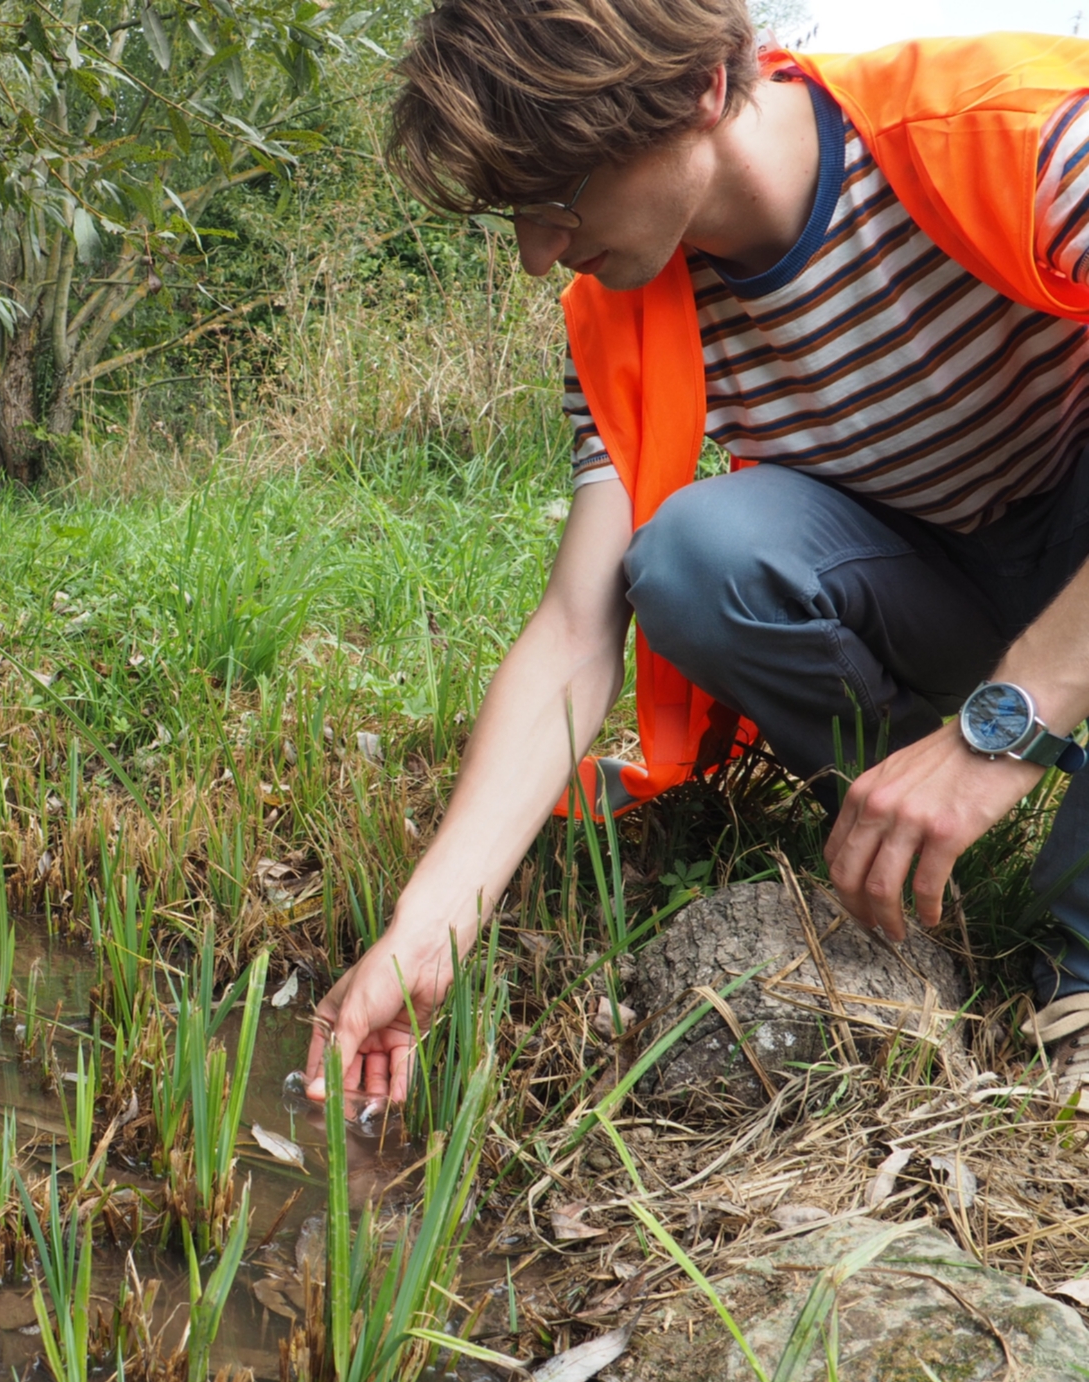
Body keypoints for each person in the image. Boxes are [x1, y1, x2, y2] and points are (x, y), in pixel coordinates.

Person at [304, 0, 1089, 1108]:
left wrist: (998, 729)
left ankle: (1076, 967)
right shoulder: (622, 309)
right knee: (691, 555)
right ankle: (925, 846)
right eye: (512, 217)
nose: (537, 256)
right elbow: (577, 631)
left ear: (695, 94)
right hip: (936, 581)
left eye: (554, 199)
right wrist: (422, 929)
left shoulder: (1017, 127)